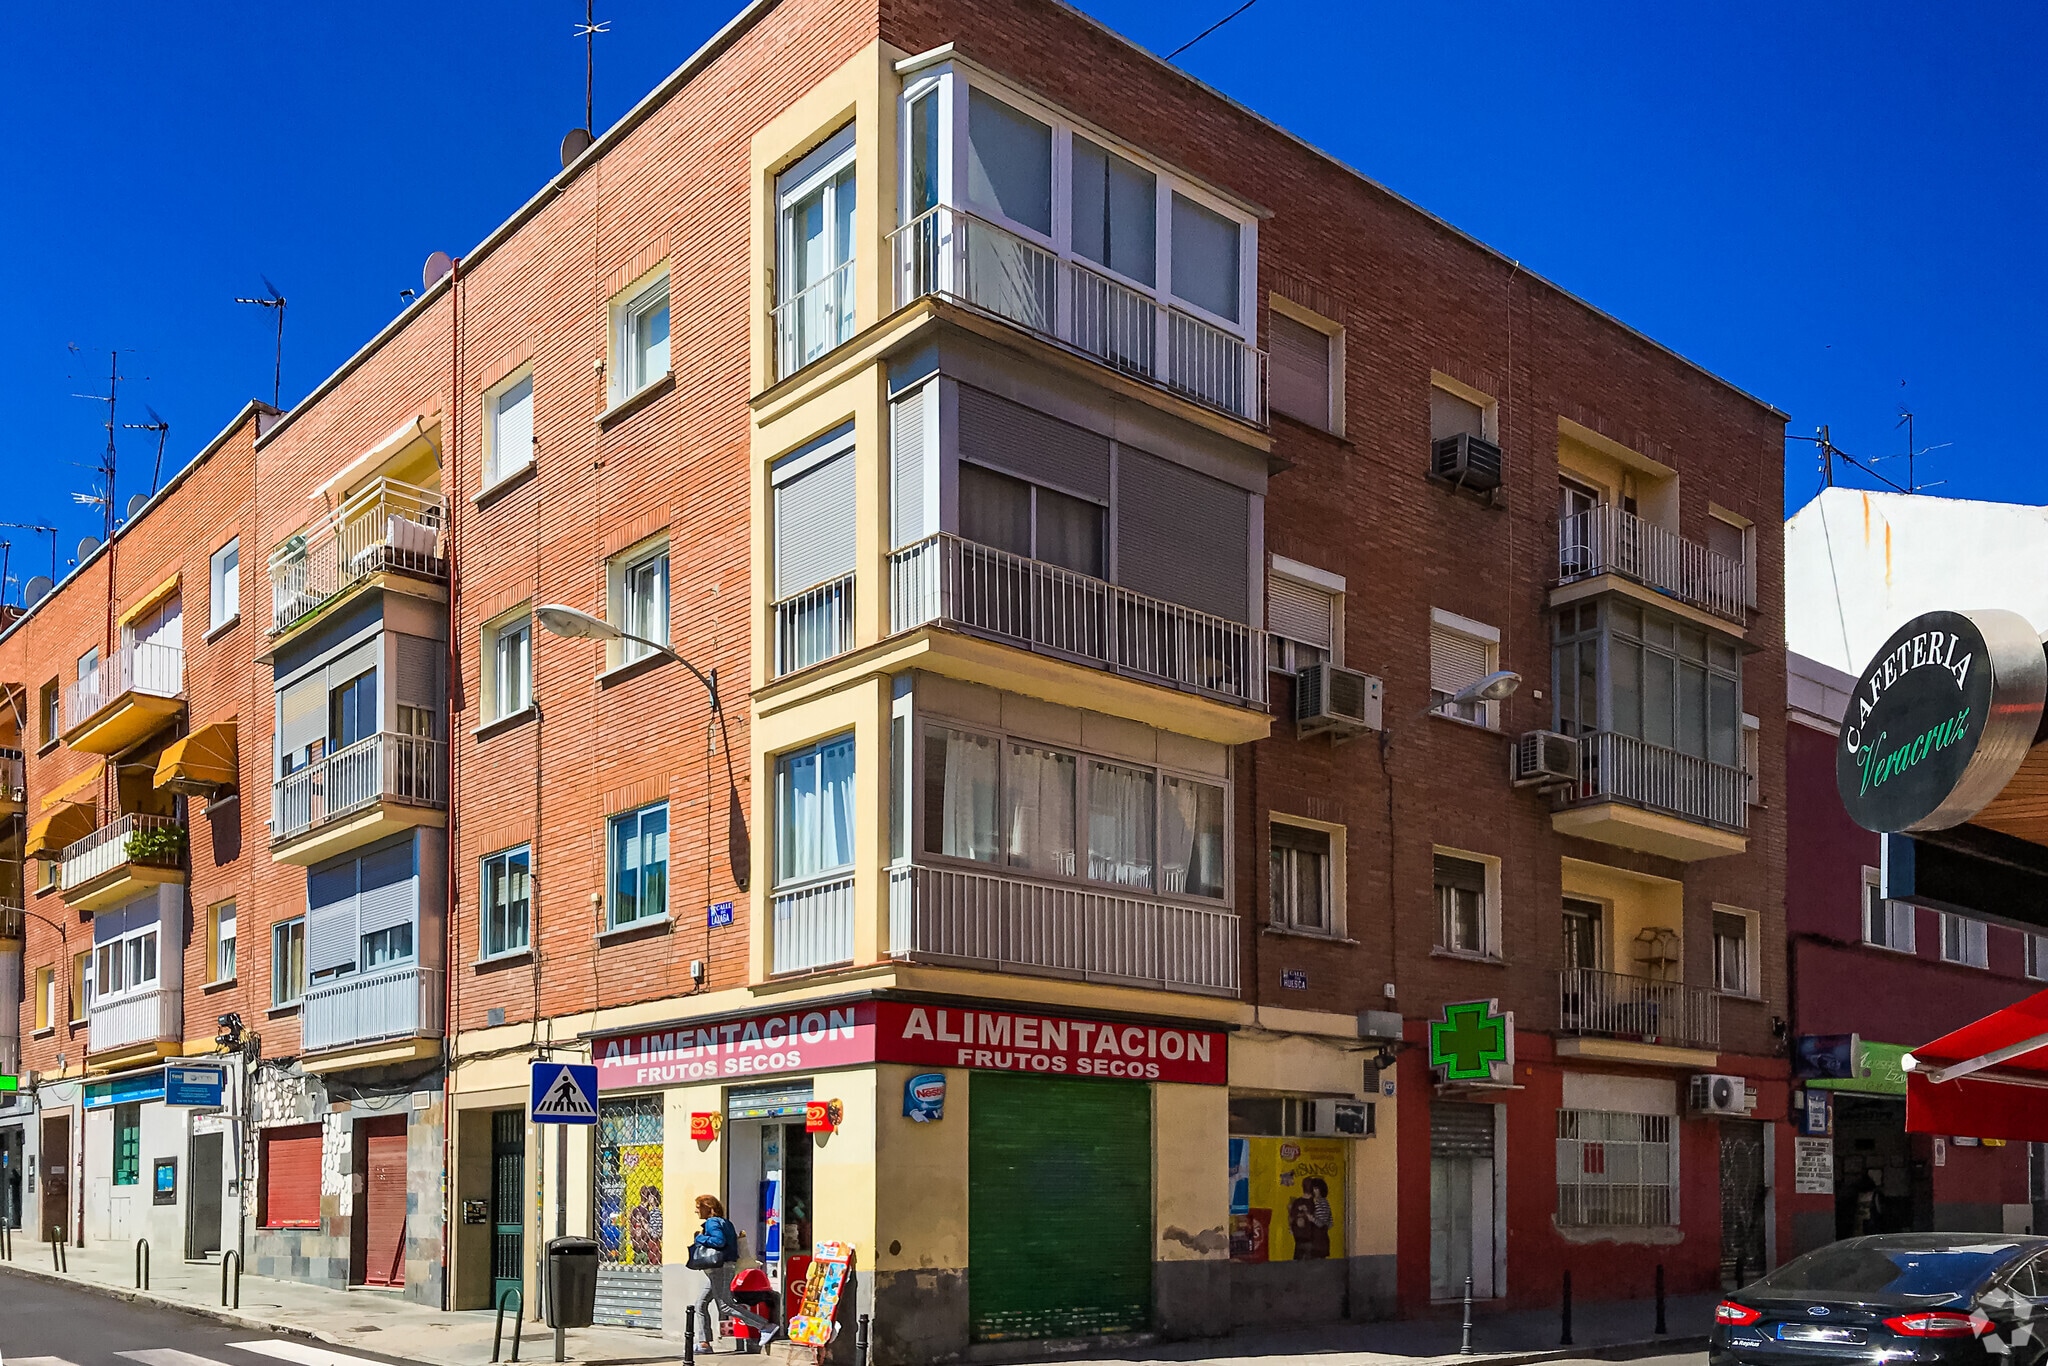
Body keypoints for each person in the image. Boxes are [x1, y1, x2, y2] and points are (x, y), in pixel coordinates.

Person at [693, 1194, 777, 1351]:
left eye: (698, 1207)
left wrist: (700, 1239)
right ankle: (704, 1342)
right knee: (701, 1303)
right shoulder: (726, 1222)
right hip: (720, 1268)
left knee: (725, 1305)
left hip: (720, 1268)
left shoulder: (712, 1222)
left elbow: (719, 1241)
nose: (696, 1211)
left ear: (708, 1208)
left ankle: (764, 1325)